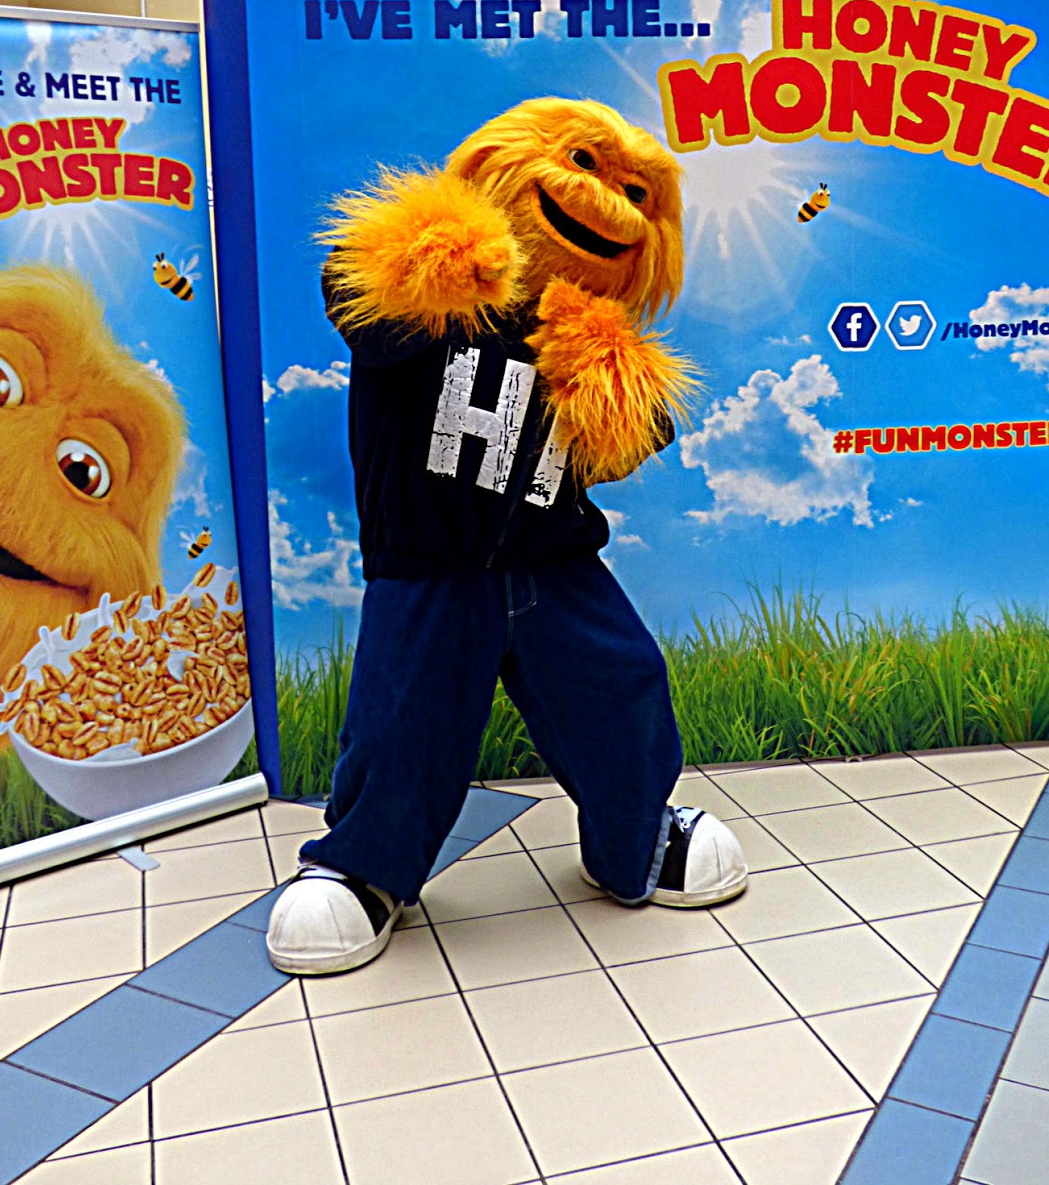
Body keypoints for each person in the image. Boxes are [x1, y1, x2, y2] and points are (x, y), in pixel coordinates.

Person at [266, 97, 747, 974]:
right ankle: (364, 869)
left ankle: (637, 837)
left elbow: (621, 447)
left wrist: (608, 376)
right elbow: (360, 303)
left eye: (637, 193)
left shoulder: (589, 338)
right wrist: (443, 260)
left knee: (623, 689)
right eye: (586, 165)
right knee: (402, 719)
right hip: (429, 565)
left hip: (556, 563)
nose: (607, 201)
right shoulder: (427, 285)